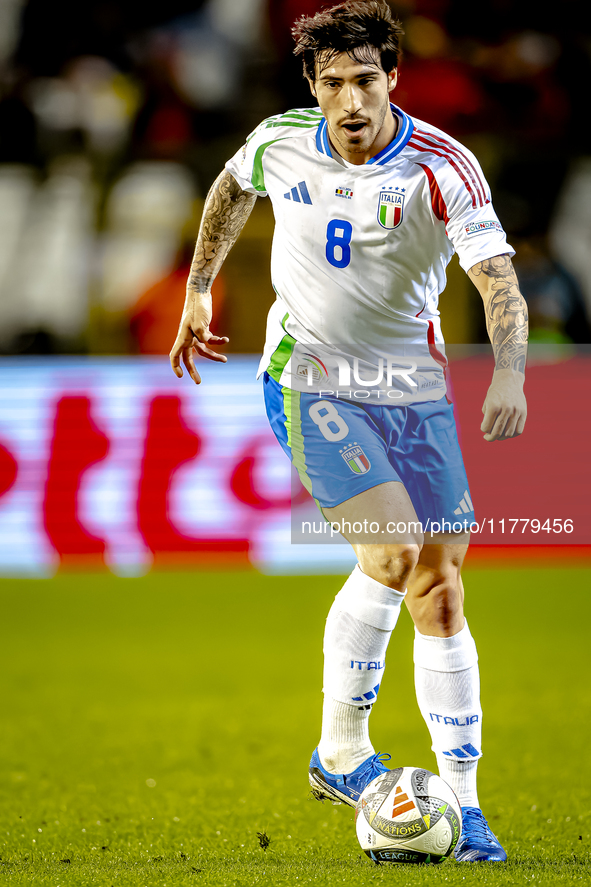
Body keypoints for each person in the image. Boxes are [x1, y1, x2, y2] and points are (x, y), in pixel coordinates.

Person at [169, 0, 527, 864]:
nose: (350, 100)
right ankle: (339, 750)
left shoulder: (442, 165)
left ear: (392, 77)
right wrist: (199, 287)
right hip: (309, 379)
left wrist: (510, 368)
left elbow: (495, 276)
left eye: (365, 79)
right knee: (394, 552)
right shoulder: (278, 139)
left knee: (439, 587)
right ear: (312, 86)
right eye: (332, 83)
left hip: (414, 390)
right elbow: (229, 188)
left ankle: (467, 808)